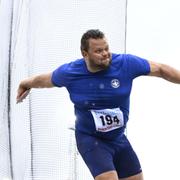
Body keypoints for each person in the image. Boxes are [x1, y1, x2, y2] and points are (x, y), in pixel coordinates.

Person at [16, 29, 180, 180]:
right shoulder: (70, 72)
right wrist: (26, 83)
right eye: (98, 51)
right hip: (90, 138)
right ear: (84, 53)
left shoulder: (125, 63)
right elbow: (44, 80)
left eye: (106, 48)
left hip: (118, 138)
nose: (105, 54)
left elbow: (160, 69)